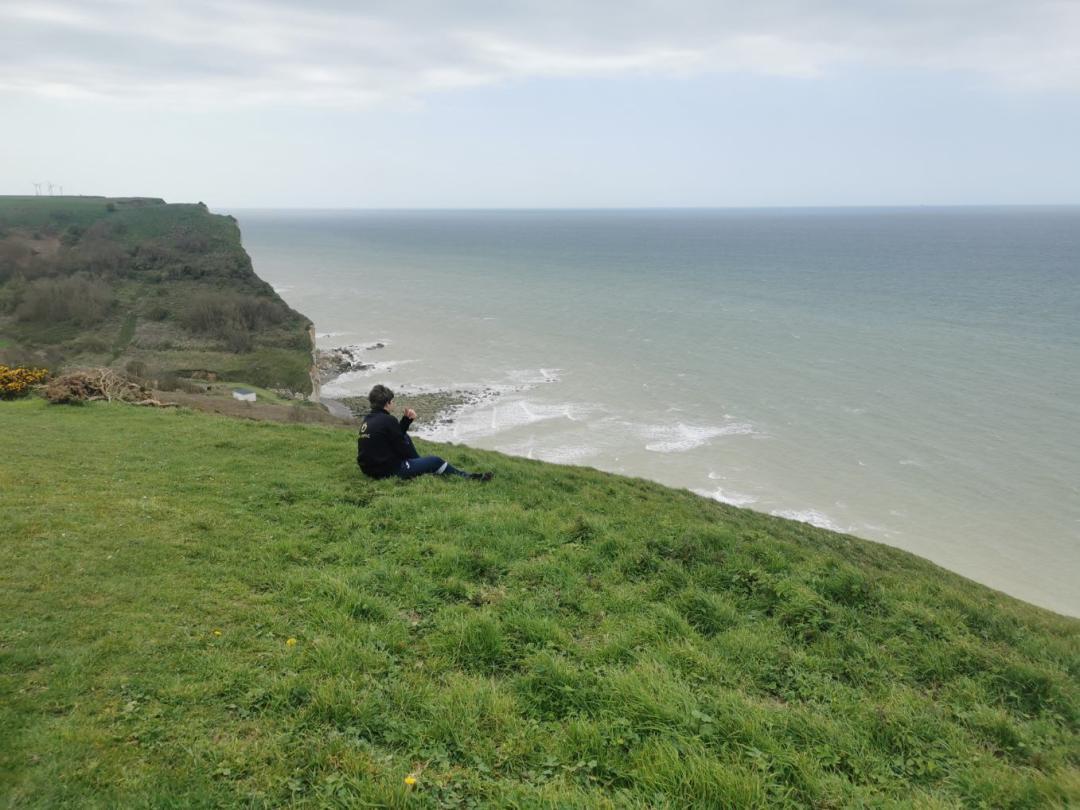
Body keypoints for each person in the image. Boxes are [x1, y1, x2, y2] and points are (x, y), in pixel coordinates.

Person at [357, 384, 493, 481]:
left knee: (405, 437)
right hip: (386, 472)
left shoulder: (368, 420)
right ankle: (468, 477)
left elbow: (392, 436)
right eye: (393, 401)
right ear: (387, 403)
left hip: (369, 470)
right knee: (435, 461)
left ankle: (420, 466)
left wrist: (406, 421)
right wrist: (413, 462)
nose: (394, 404)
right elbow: (401, 448)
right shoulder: (388, 420)